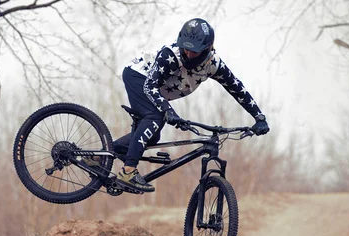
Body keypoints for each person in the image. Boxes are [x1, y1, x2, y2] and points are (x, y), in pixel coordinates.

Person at [111, 18, 270, 192]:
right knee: (154, 118)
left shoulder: (213, 64)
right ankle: (128, 171)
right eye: (185, 48)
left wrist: (259, 117)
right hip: (138, 76)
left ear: (207, 49)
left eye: (193, 51)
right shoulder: (170, 55)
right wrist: (168, 111)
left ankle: (105, 153)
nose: (187, 54)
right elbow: (149, 86)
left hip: (154, 89)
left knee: (152, 136)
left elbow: (236, 88)